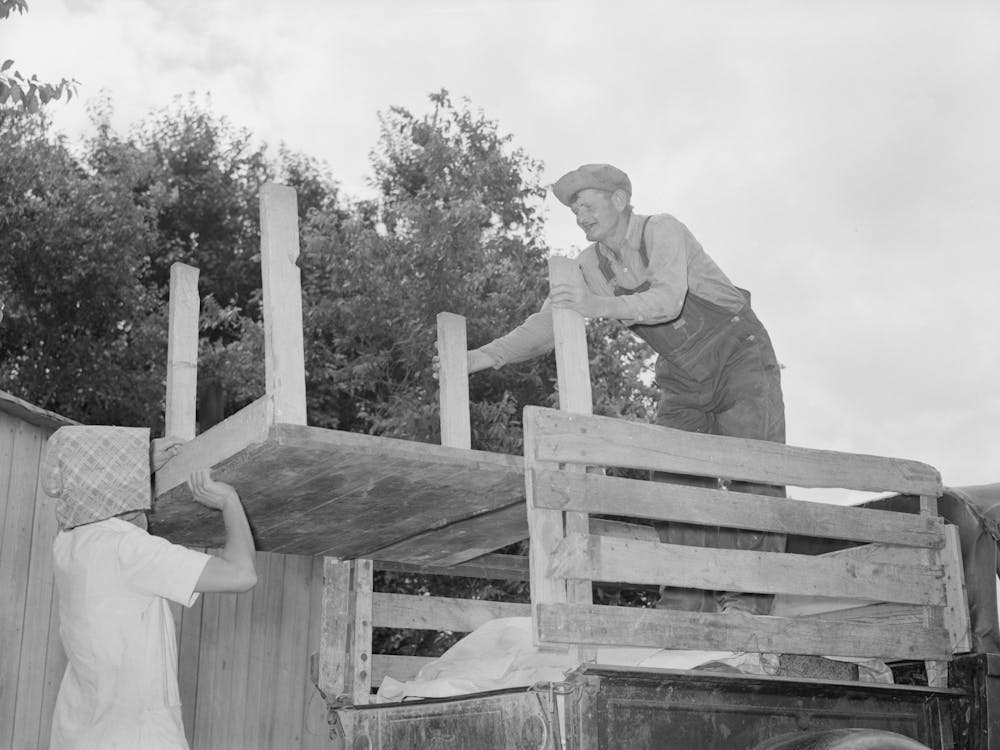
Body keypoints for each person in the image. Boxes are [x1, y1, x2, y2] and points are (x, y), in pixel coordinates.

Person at [468, 163, 786, 615]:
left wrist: (595, 305)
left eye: (587, 203)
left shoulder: (662, 231)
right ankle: (685, 602)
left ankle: (747, 602)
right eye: (575, 209)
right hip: (681, 370)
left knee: (755, 471)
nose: (580, 216)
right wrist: (484, 356)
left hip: (739, 354)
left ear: (618, 200)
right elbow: (547, 324)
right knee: (671, 478)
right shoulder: (587, 266)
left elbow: (668, 299)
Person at [42, 425, 258, 750]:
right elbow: (242, 574)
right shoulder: (129, 549)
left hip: (78, 734)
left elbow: (84, 492)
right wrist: (228, 501)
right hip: (136, 739)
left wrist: (144, 459)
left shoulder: (68, 545)